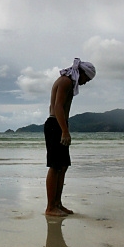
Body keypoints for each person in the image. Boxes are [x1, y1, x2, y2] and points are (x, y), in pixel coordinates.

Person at [45, 58, 96, 216]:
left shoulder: (68, 81)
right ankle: (50, 207)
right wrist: (64, 131)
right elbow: (58, 106)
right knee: (55, 166)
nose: (85, 83)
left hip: (59, 124)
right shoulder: (65, 81)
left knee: (63, 166)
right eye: (86, 79)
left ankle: (57, 204)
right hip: (55, 125)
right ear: (81, 73)